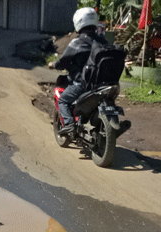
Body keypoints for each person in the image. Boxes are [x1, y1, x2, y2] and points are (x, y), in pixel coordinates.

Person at [49, 7, 108, 136]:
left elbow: (63, 61)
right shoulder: (103, 41)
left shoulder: (77, 43)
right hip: (104, 83)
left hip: (83, 85)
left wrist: (53, 65)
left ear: (78, 22)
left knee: (63, 101)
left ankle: (69, 124)